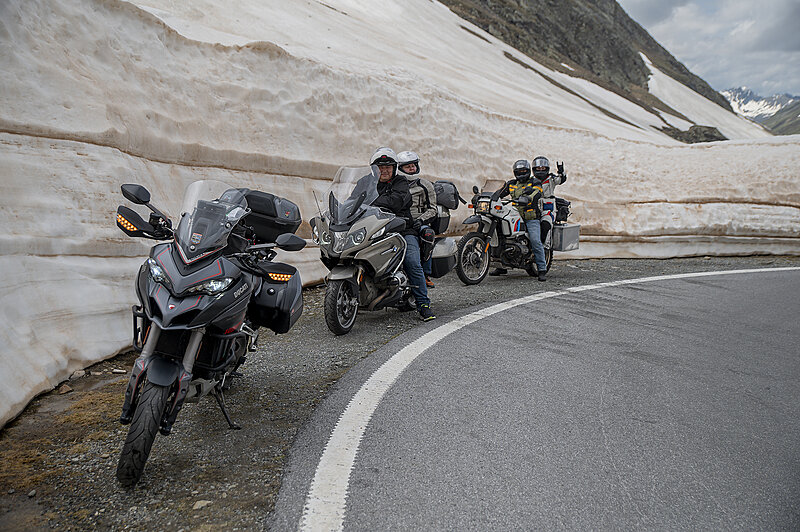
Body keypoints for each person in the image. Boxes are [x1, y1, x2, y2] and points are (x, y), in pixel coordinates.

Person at [369, 147, 435, 321]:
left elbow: (395, 201)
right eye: (380, 167)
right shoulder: (366, 182)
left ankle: (423, 304)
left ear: (394, 167)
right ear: (374, 168)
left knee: (412, 261)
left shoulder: (401, 182)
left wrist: (372, 202)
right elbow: (353, 199)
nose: (384, 170)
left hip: (402, 229)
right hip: (373, 228)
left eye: (388, 166)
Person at [490, 159, 548, 281]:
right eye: (519, 171)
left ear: (528, 171)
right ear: (515, 172)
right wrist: (489, 198)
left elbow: (538, 192)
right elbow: (500, 192)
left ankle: (542, 269)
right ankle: (501, 266)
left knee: (535, 240)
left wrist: (528, 198)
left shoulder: (535, 181)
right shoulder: (511, 183)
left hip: (530, 217)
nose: (521, 173)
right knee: (501, 235)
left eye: (524, 171)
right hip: (515, 214)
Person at [397, 150, 437, 288]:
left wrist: (421, 220)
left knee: (428, 234)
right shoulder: (396, 184)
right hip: (397, 221)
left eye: (414, 165)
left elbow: (433, 209)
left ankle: (425, 274)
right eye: (408, 166)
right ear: (400, 168)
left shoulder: (425, 185)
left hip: (418, 222)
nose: (412, 168)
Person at [531, 156, 567, 250]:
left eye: (543, 168)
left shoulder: (551, 178)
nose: (540, 170)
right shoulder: (531, 180)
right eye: (538, 168)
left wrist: (561, 172)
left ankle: (545, 248)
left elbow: (560, 180)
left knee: (546, 224)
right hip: (534, 204)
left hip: (548, 205)